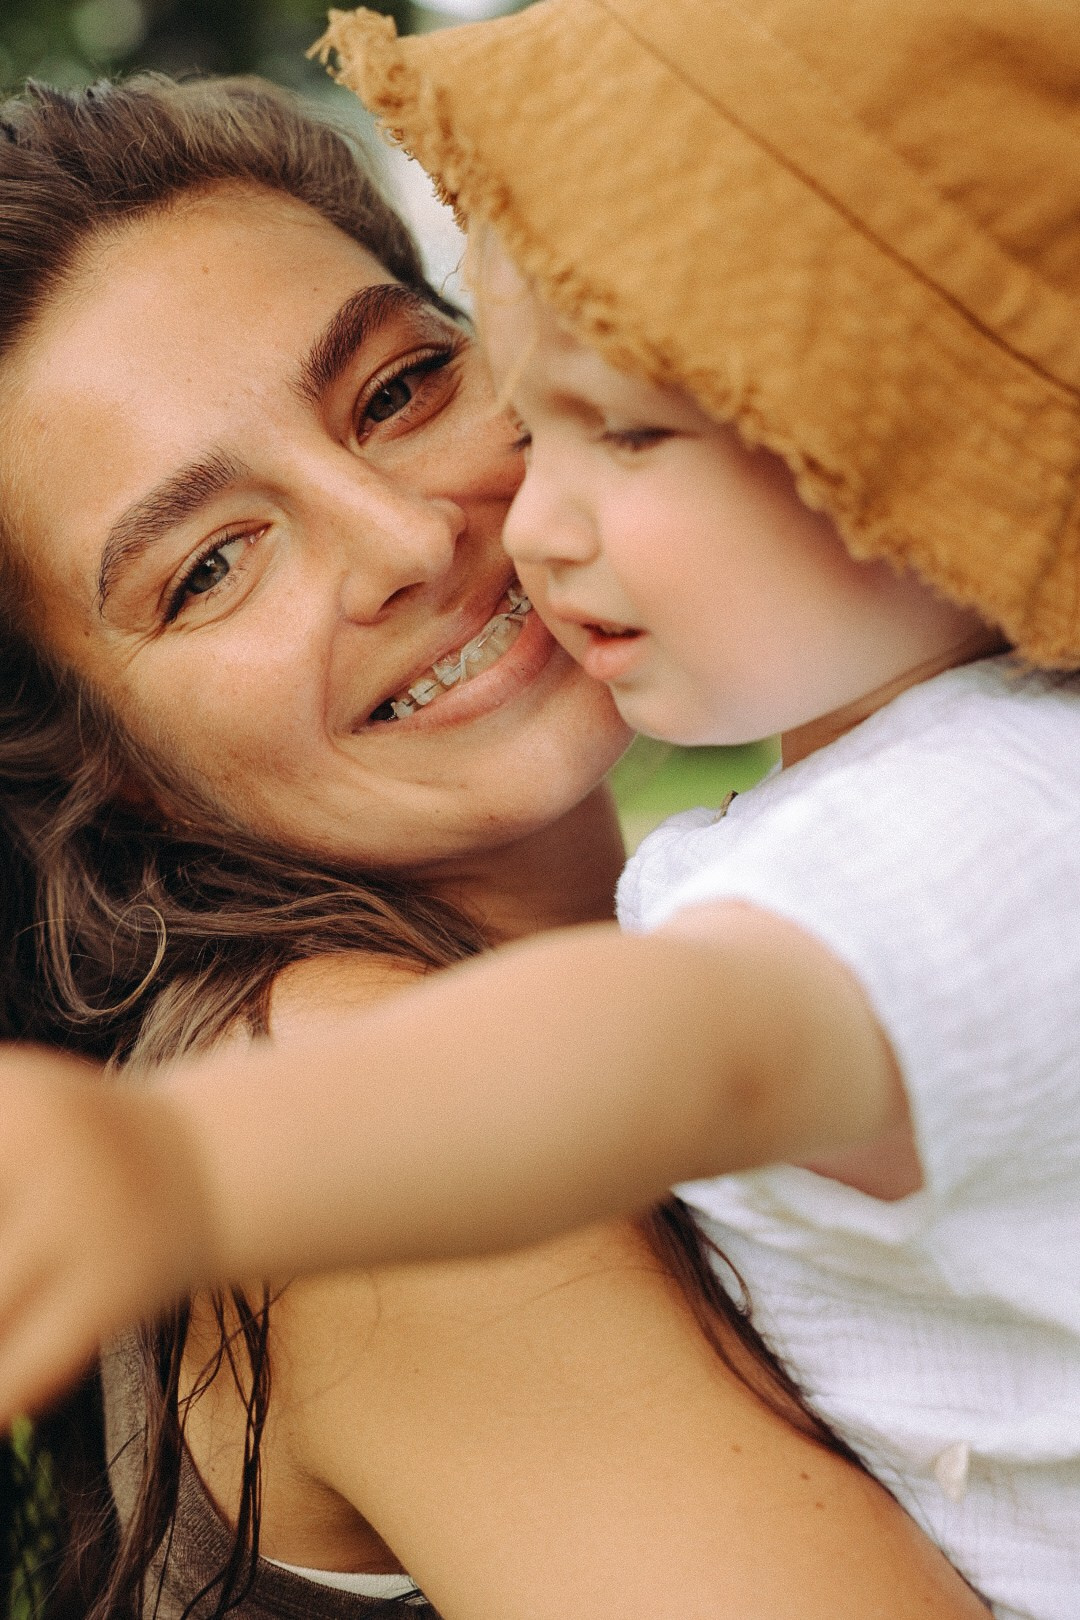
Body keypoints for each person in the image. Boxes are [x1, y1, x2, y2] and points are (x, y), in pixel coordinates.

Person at [0, 68, 986, 1620]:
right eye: (208, 569)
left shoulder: (800, 868)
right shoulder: (326, 1130)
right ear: (106, 769)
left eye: (398, 392)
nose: (410, 538)